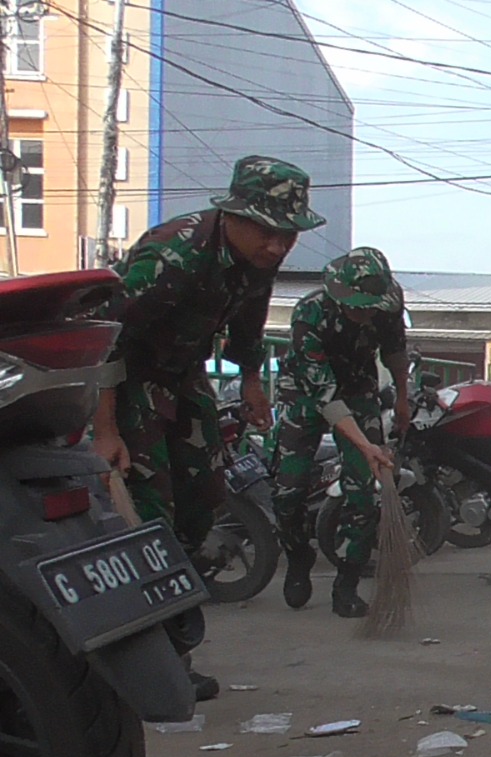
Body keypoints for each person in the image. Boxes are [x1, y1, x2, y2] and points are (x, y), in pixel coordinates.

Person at [91, 155, 325, 700]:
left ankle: (174, 648)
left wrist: (250, 381)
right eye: (268, 232)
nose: (278, 246)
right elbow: (106, 338)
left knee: (203, 499)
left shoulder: (257, 263)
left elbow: (248, 324)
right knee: (150, 514)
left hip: (185, 375)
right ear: (234, 215)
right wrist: (106, 429)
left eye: (288, 235)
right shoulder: (174, 253)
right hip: (126, 381)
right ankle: (149, 664)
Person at [273, 248, 409, 618]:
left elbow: (396, 349)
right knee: (288, 490)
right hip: (307, 391)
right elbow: (325, 396)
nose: (365, 314)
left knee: (364, 492)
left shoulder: (389, 304)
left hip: (358, 388)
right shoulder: (310, 313)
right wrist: (367, 445)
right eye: (358, 307)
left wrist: (402, 398)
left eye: (371, 307)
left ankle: (346, 583)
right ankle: (299, 555)